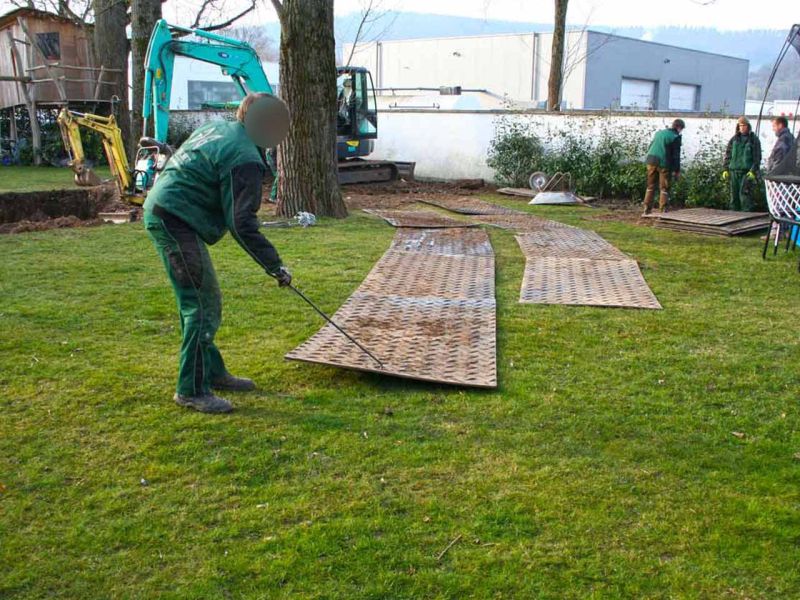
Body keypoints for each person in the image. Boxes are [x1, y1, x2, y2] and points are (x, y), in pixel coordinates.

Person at [143, 93, 292, 414]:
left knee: (199, 301)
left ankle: (212, 371)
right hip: (174, 219)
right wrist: (275, 266)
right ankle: (192, 390)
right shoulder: (245, 157)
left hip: (167, 211)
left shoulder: (220, 129)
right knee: (202, 304)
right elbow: (241, 222)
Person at [642, 119, 685, 215]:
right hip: (663, 163)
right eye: (681, 129)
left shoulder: (659, 133)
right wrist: (676, 171)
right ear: (679, 127)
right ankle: (663, 209)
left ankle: (646, 208)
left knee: (650, 185)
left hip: (651, 160)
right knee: (664, 187)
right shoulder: (675, 137)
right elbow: (676, 156)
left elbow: (651, 146)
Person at [722, 116, 762, 212]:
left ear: (748, 126)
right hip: (734, 172)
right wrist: (725, 169)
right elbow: (728, 154)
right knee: (734, 197)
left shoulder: (753, 140)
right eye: (740, 126)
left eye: (744, 125)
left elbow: (757, 157)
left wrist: (753, 171)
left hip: (746, 173)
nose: (742, 128)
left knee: (745, 197)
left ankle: (746, 219)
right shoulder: (734, 139)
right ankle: (733, 218)